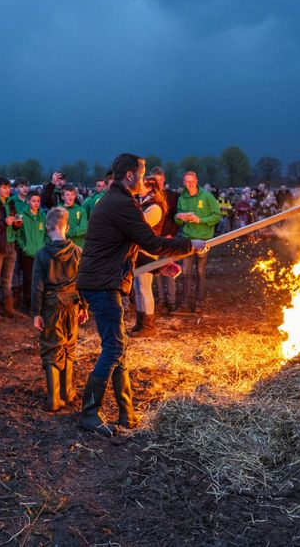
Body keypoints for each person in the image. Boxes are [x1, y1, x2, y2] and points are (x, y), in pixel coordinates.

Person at [77, 154, 203, 436]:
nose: (146, 180)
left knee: (117, 347)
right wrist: (189, 246)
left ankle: (126, 412)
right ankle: (89, 413)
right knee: (114, 348)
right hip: (102, 284)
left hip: (103, 281)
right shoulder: (122, 204)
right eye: (142, 173)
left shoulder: (115, 200)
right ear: (130, 175)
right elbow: (151, 241)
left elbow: (131, 249)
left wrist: (160, 268)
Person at [31, 207, 88, 412]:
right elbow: (84, 282)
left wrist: (36, 313)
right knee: (69, 347)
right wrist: (84, 306)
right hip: (72, 305)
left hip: (51, 307)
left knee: (51, 347)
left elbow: (37, 286)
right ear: (68, 227)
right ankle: (68, 392)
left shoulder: (42, 255)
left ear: (48, 228)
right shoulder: (78, 252)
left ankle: (54, 398)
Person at [173, 171, 221, 314]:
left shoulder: (207, 196)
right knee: (186, 272)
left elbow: (217, 215)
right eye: (187, 181)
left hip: (203, 238)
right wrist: (179, 216)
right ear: (183, 182)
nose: (190, 184)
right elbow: (177, 220)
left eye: (192, 181)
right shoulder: (182, 198)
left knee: (200, 271)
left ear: (197, 181)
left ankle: (198, 303)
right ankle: (184, 303)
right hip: (187, 238)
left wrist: (201, 220)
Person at [130, 175, 168, 337]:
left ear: (151, 188)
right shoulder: (145, 204)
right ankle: (140, 322)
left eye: (143, 186)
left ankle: (149, 325)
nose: (139, 189)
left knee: (144, 288)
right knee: (139, 288)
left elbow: (141, 226)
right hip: (140, 250)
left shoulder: (154, 207)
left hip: (148, 251)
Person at [148, 167, 179, 314]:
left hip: (168, 239)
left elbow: (175, 218)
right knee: (156, 270)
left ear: (164, 179)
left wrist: (171, 234)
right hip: (154, 240)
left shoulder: (172, 196)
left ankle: (171, 301)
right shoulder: (150, 197)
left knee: (169, 268)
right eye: (154, 180)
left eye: (159, 180)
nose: (158, 183)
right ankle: (160, 300)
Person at [0, 177, 21, 318]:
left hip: (11, 244)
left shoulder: (11, 202)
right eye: (3, 187)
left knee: (7, 279)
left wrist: (16, 224)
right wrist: (4, 223)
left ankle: (9, 308)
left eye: (8, 187)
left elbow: (12, 222)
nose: (7, 190)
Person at [15, 191, 46, 314]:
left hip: (40, 253)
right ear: (28, 201)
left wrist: (44, 246)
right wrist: (24, 247)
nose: (36, 203)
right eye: (33, 201)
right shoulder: (22, 215)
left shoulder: (43, 215)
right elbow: (18, 234)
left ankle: (39, 304)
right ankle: (28, 304)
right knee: (28, 279)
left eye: (38, 201)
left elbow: (47, 232)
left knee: (41, 279)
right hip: (27, 253)